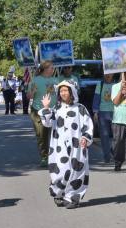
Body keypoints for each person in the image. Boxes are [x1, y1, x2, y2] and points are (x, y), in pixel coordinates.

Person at [39, 80, 93, 209]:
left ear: (72, 92)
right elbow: (47, 123)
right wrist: (46, 108)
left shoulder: (80, 108)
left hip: (77, 146)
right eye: (61, 91)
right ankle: (59, 193)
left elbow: (88, 125)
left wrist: (86, 137)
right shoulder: (56, 108)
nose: (63, 93)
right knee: (61, 169)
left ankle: (73, 197)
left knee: (76, 170)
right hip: (59, 146)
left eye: (65, 90)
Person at [28, 61, 57, 167]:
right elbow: (29, 96)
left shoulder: (55, 80)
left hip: (53, 110)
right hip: (38, 111)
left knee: (54, 134)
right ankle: (44, 157)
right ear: (45, 69)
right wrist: (33, 92)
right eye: (51, 68)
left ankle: (54, 156)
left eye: (53, 68)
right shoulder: (35, 80)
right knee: (42, 135)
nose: (53, 70)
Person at [95, 73, 115, 164]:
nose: (108, 75)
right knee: (104, 136)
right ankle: (107, 156)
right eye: (106, 74)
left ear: (113, 74)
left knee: (117, 136)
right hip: (102, 112)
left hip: (115, 113)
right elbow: (96, 98)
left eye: (110, 74)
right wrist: (95, 112)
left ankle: (113, 150)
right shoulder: (100, 84)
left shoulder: (116, 85)